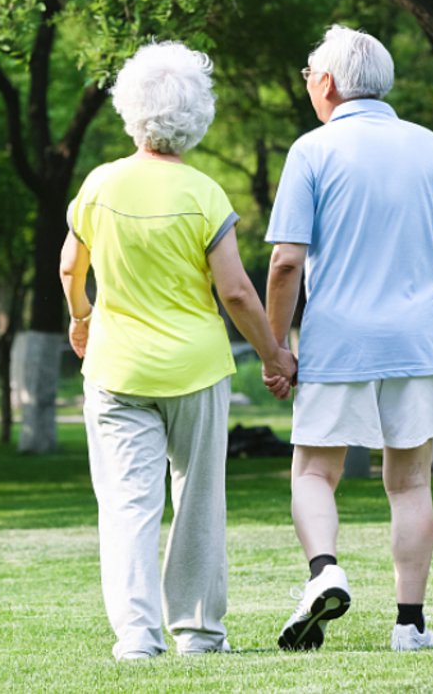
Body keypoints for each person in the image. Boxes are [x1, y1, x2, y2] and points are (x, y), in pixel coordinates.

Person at [60, 41, 294, 660]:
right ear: (198, 114)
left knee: (127, 505)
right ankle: (197, 634)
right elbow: (238, 293)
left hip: (115, 370)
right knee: (197, 501)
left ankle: (136, 637)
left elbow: (68, 268)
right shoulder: (204, 194)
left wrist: (81, 317)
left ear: (129, 109)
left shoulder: (98, 185)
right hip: (195, 370)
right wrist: (274, 355)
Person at [264, 25, 433, 653]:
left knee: (314, 471)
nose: (309, 85)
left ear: (327, 82)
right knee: (411, 483)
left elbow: (284, 263)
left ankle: (323, 570)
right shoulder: (431, 147)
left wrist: (277, 349)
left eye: (309, 75)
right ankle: (410, 625)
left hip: (338, 342)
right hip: (416, 341)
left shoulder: (312, 151)